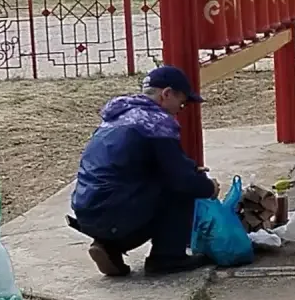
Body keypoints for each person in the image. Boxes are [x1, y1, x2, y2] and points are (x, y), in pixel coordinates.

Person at [68, 65, 219, 277]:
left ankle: (109, 246)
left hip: (87, 212)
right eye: (181, 102)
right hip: (117, 214)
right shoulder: (155, 123)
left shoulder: (117, 117)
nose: (180, 109)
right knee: (182, 189)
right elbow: (181, 179)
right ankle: (167, 257)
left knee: (146, 187)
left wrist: (190, 169)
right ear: (166, 94)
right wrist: (207, 186)